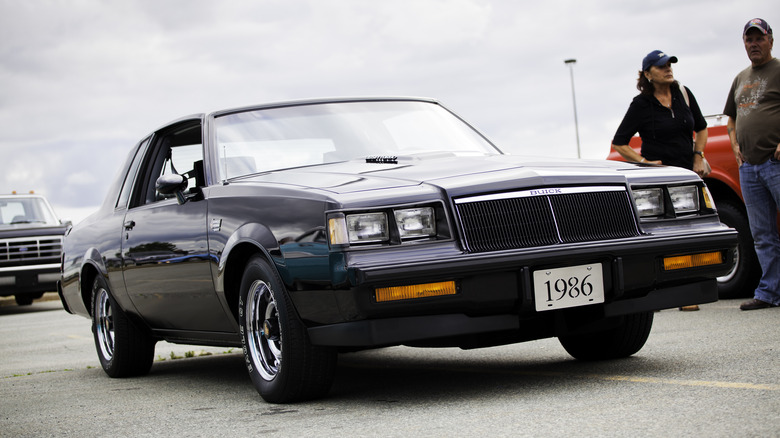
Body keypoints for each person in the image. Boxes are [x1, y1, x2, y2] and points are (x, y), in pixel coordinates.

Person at [611, 50, 709, 311]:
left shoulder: (683, 94)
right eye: (661, 66)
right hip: (660, 180)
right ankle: (669, 292)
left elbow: (701, 127)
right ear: (647, 74)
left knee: (693, 231)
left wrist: (698, 156)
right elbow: (619, 142)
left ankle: (690, 289)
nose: (668, 69)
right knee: (669, 236)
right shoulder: (641, 104)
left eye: (669, 64)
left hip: (687, 175)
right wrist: (643, 163)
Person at [723, 18, 780, 311]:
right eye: (749, 39)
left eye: (759, 38)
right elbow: (731, 118)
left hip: (775, 162)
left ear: (770, 39)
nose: (754, 44)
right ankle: (769, 293)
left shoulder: (779, 70)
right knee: (761, 234)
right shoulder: (741, 77)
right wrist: (734, 144)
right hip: (750, 168)